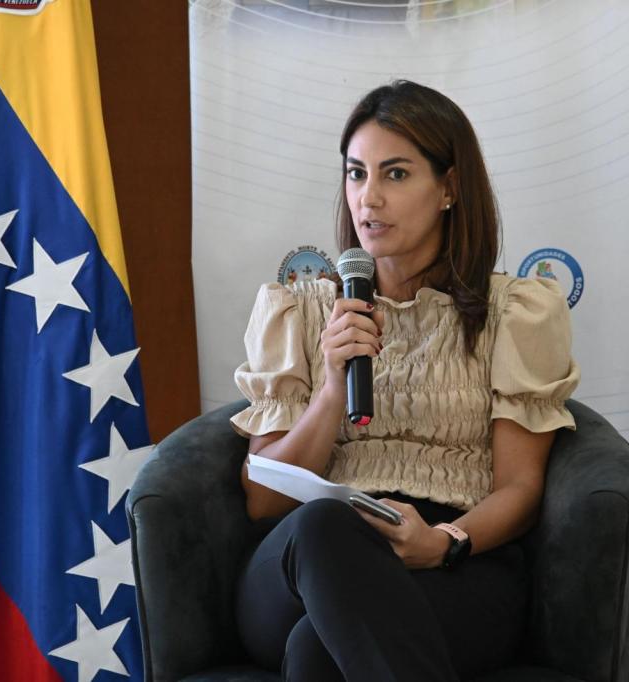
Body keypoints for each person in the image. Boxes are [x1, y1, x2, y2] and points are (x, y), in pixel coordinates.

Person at [230, 80, 580, 681]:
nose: (369, 199)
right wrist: (333, 388)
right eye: (356, 174)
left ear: (448, 188)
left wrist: (445, 541)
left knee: (319, 652)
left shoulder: (515, 313)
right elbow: (265, 499)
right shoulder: (301, 310)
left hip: (454, 558)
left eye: (395, 174)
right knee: (323, 525)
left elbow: (520, 488)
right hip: (306, 553)